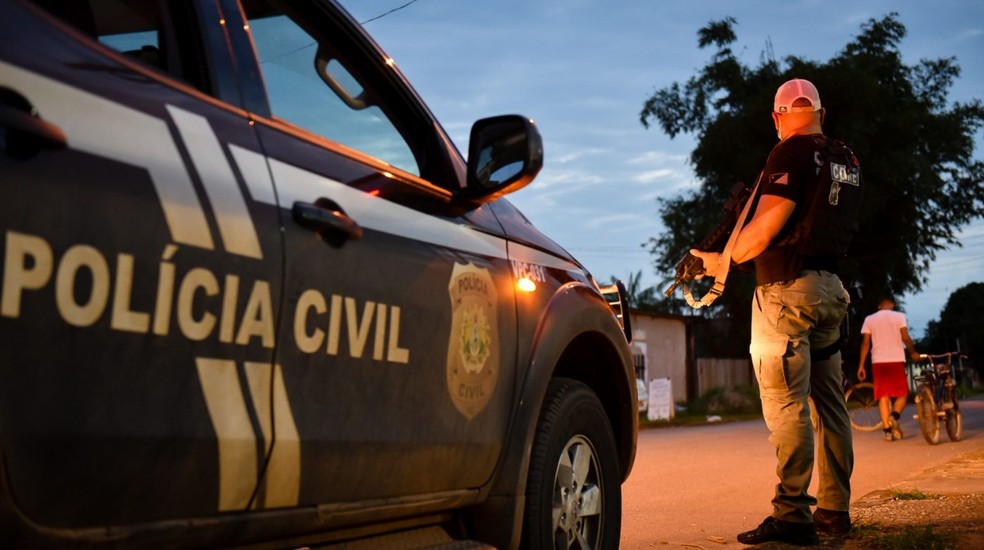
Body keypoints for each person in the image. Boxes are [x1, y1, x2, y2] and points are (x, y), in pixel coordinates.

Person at [691, 78, 859, 545]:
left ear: (778, 116)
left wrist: (725, 260)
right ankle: (834, 511)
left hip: (786, 295)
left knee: (787, 408)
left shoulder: (789, 153)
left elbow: (766, 229)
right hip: (829, 292)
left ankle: (791, 515)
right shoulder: (845, 157)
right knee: (830, 406)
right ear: (820, 112)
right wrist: (718, 257)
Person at [857, 296, 921, 441]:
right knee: (903, 394)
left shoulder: (869, 319)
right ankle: (894, 416)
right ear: (892, 304)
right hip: (896, 359)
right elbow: (905, 336)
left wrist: (861, 365)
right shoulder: (899, 316)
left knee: (883, 397)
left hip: (878, 362)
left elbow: (865, 343)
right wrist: (913, 352)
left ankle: (887, 432)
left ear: (879, 306)